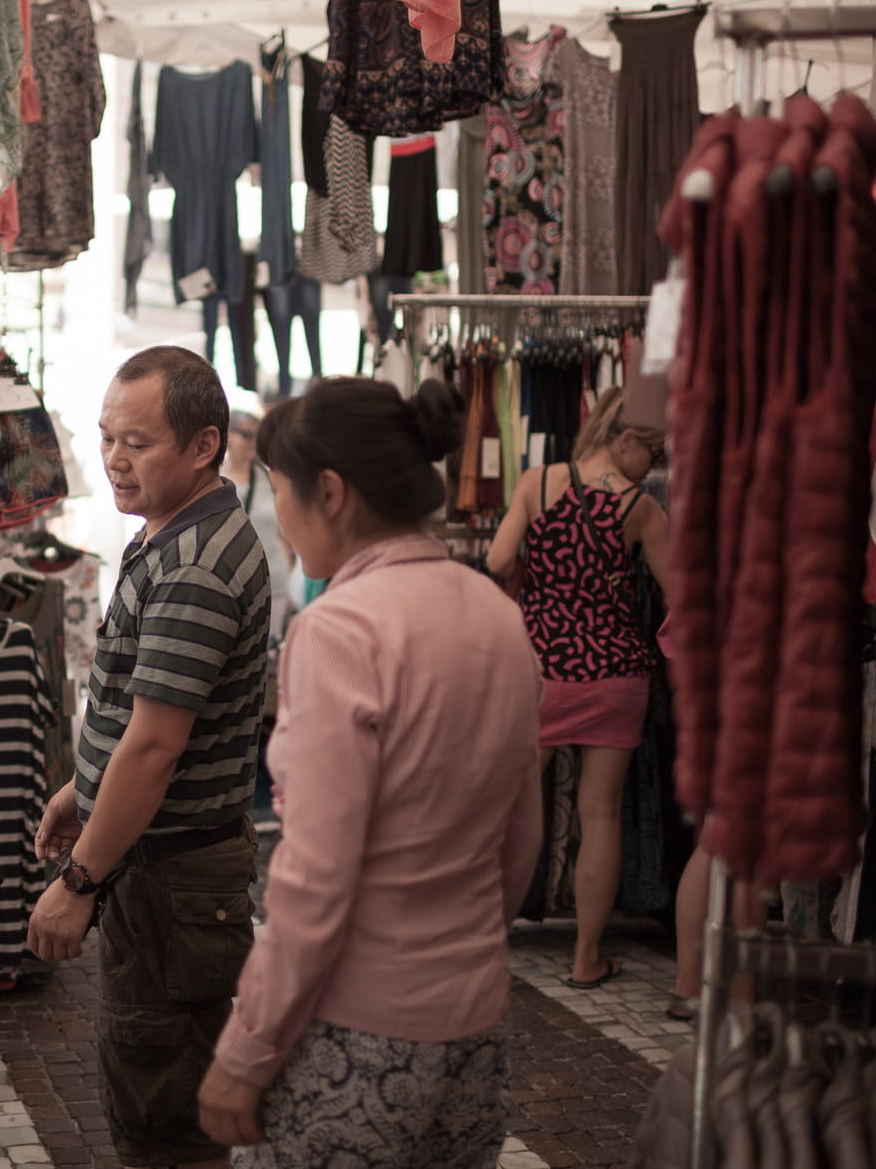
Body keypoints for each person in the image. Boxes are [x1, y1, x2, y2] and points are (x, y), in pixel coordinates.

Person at [196, 377, 544, 1168]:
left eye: (281, 493)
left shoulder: (340, 630)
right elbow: (522, 834)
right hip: (474, 1023)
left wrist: (244, 1053)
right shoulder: (497, 612)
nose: (279, 517)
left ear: (330, 492)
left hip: (354, 1030)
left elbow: (314, 878)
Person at [27, 345, 271, 1169]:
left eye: (139, 442)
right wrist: (80, 787)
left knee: (163, 1112)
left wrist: (79, 881)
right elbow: (139, 708)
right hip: (158, 864)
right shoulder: (167, 532)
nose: (115, 460)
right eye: (106, 438)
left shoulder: (195, 564)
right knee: (151, 1078)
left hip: (170, 877)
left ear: (204, 445)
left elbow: (158, 745)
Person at [485, 384, 670, 989]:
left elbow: (496, 560)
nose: (656, 465)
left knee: (509, 809)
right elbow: (681, 595)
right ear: (625, 441)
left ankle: (478, 936)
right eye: (654, 452)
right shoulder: (641, 508)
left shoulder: (536, 483)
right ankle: (587, 958)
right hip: (615, 673)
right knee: (600, 816)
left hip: (541, 670)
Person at [220, 409, 293, 639]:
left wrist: (290, 570)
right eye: (247, 435)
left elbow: (282, 530)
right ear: (230, 435)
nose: (253, 442)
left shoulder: (266, 476)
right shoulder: (215, 479)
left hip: (275, 577)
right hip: (232, 582)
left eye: (256, 435)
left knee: (269, 650)